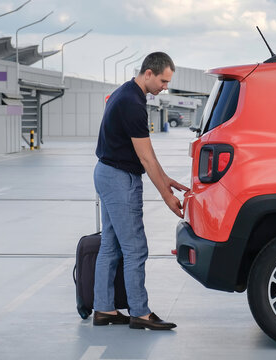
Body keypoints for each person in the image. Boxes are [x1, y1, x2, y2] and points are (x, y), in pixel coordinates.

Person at [92, 52, 189, 330]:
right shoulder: (132, 104)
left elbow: (147, 157)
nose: (165, 87)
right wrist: (167, 197)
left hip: (107, 172)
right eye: (163, 80)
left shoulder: (126, 93)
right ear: (148, 73)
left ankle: (105, 309)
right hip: (119, 179)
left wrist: (166, 179)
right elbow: (146, 159)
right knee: (135, 248)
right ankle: (140, 313)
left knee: (110, 246)